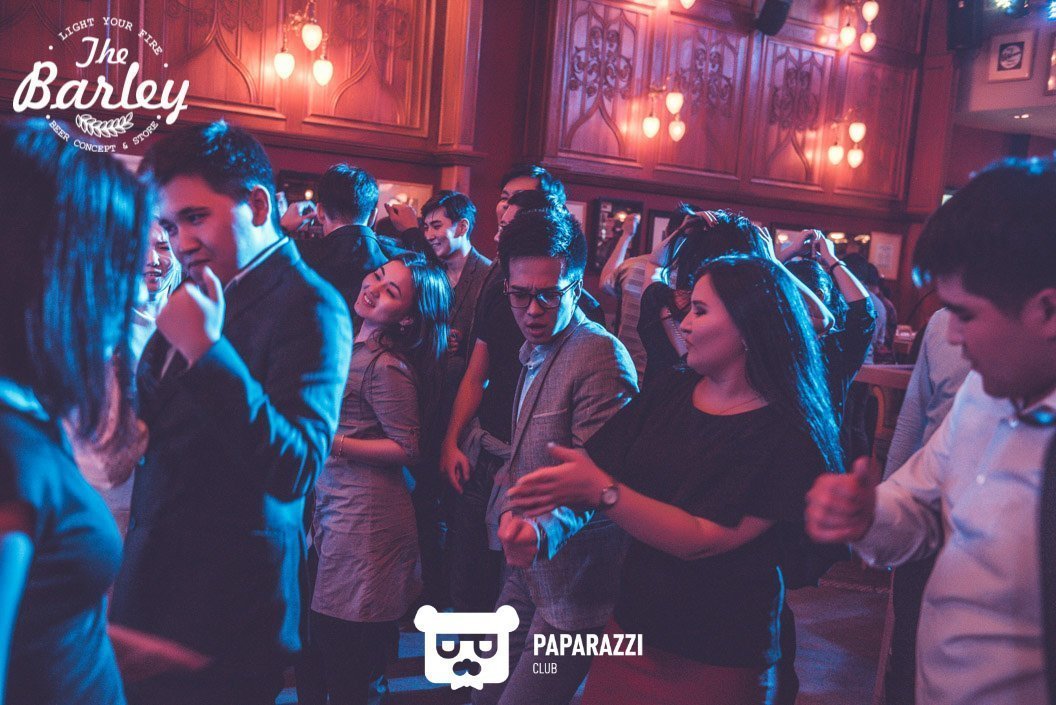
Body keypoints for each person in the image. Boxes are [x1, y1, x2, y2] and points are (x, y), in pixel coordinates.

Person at [509, 254, 840, 705]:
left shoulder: (789, 434)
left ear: (749, 326)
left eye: (700, 311)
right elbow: (595, 468)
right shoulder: (673, 389)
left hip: (718, 656)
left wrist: (606, 494)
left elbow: (701, 538)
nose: (683, 324)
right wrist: (539, 526)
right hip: (631, 630)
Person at [110, 121, 353, 705]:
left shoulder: (312, 304)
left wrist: (207, 351)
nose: (181, 242)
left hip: (228, 612)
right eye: (171, 226)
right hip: (155, 586)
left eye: (196, 217)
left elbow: (296, 467)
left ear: (258, 204)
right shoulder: (196, 289)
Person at [806, 157, 1056, 705]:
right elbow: (919, 504)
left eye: (965, 315)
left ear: (1047, 311)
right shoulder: (979, 396)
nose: (951, 338)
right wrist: (868, 514)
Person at [0, 119, 150, 705]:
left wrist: (112, 652)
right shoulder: (10, 455)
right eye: (116, 269)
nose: (125, 296)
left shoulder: (27, 414)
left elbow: (38, 625)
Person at [475, 208, 638, 705]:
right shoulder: (536, 347)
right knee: (482, 691)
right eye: (519, 294)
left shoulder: (600, 355)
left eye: (549, 294)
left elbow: (600, 477)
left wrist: (541, 531)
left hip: (576, 588)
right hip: (528, 574)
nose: (532, 310)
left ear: (577, 286)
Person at [306, 253, 450, 705]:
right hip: (337, 507)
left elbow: (408, 448)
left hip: (365, 521)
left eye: (391, 291)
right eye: (378, 276)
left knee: (350, 660)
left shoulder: (385, 365)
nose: (373, 288)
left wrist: (334, 442)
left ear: (407, 319)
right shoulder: (354, 342)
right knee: (327, 646)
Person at [880, 307, 970, 705]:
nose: (956, 334)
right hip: (932, 513)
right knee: (908, 652)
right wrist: (884, 511)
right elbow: (915, 418)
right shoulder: (940, 322)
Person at [600, 204, 695, 380]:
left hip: (624, 372)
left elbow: (605, 284)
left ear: (665, 234)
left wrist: (626, 236)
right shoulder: (698, 283)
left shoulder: (632, 266)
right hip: (670, 381)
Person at [280, 163, 389, 310]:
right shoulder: (397, 263)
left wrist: (282, 228)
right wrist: (411, 231)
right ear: (372, 216)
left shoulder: (294, 255)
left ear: (320, 212)